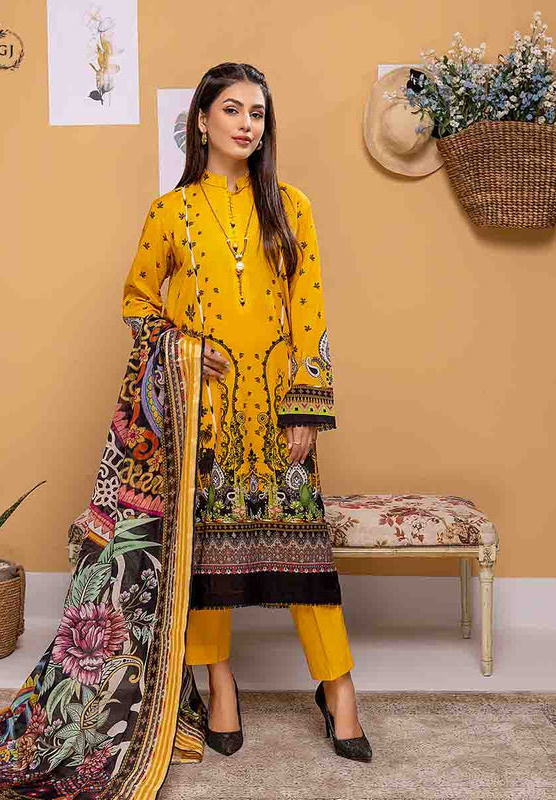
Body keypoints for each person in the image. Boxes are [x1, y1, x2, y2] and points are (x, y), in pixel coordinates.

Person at [122, 61, 371, 763]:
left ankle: (339, 689)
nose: (246, 124)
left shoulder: (291, 206)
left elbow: (310, 315)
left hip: (276, 408)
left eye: (257, 113)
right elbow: (136, 302)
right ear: (201, 121)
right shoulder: (169, 213)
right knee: (206, 560)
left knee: (307, 557)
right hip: (204, 416)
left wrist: (306, 409)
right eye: (231, 109)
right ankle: (219, 683)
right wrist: (183, 347)